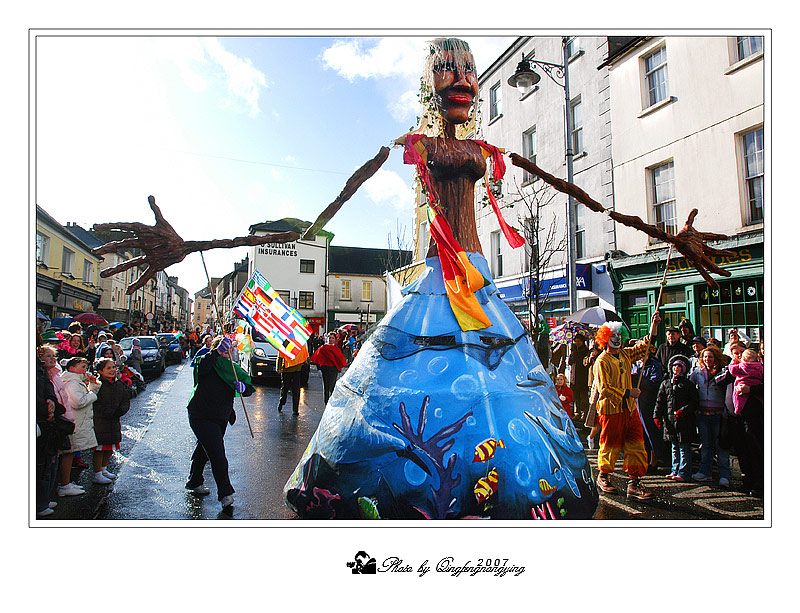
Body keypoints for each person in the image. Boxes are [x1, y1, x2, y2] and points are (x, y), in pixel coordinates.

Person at [593, 313, 660, 500]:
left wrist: (653, 326)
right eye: (613, 336)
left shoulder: (625, 354)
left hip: (629, 409)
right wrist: (628, 393)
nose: (617, 339)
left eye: (619, 336)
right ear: (605, 339)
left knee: (636, 444)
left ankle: (634, 483)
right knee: (610, 445)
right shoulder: (601, 361)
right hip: (611, 409)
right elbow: (604, 388)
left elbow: (644, 349)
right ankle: (603, 476)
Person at [185, 335, 254, 510]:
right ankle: (225, 493)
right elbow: (201, 369)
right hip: (201, 415)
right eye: (225, 349)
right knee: (217, 454)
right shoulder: (206, 360)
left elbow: (248, 387)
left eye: (230, 349)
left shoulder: (233, 368)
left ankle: (194, 481)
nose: (228, 352)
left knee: (204, 449)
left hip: (220, 417)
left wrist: (244, 389)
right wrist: (216, 353)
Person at [689, 345, 731, 486]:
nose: (708, 359)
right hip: (702, 414)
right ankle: (704, 472)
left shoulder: (722, 372)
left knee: (721, 446)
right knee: (706, 444)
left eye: (710, 357)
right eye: (705, 357)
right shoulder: (698, 372)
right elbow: (689, 386)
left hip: (719, 414)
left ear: (716, 358)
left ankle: (724, 475)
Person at [58, 357, 100, 496]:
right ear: (72, 368)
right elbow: (78, 402)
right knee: (69, 453)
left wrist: (92, 387)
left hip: (77, 422)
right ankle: (64, 485)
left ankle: (67, 483)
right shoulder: (72, 383)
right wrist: (93, 393)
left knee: (71, 453)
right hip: (75, 423)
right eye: (82, 366)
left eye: (86, 366)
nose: (85, 369)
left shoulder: (76, 381)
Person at [36, 346, 70, 516]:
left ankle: (45, 499)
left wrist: (52, 404)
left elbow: (56, 395)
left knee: (53, 461)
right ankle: (40, 504)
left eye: (53, 355)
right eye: (47, 356)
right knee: (45, 465)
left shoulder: (53, 375)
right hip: (47, 420)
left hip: (55, 419)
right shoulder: (40, 374)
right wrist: (48, 409)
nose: (51, 358)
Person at [655, 355, 698, 482]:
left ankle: (684, 472)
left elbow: (694, 402)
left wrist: (684, 411)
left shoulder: (688, 385)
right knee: (674, 447)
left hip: (684, 421)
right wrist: (657, 416)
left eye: (679, 366)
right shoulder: (666, 383)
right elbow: (660, 401)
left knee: (684, 448)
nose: (676, 368)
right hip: (670, 421)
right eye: (674, 366)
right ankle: (675, 470)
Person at [92, 358, 131, 483]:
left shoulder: (118, 384)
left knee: (110, 446)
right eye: (108, 368)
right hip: (101, 420)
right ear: (100, 371)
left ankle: (103, 469)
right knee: (100, 448)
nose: (112, 370)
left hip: (114, 419)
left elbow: (125, 399)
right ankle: (97, 473)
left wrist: (121, 410)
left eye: (113, 367)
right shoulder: (98, 385)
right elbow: (95, 403)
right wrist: (107, 412)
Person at [636, 344, 666, 471]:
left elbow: (655, 382)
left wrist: (641, 382)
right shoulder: (636, 365)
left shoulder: (655, 365)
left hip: (649, 403)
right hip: (638, 404)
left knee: (650, 431)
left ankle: (654, 460)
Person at [310, 333, 347, 404]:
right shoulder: (323, 348)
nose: (331, 339)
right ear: (327, 339)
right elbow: (318, 358)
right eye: (330, 338)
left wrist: (339, 369)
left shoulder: (336, 348)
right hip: (325, 369)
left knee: (332, 386)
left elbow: (339, 359)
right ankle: (326, 402)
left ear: (335, 339)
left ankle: (332, 402)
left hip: (333, 370)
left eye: (332, 338)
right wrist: (319, 369)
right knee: (326, 387)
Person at [277, 345, 309, 414]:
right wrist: (279, 367)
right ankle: (282, 402)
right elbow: (280, 356)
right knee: (285, 388)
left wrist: (305, 365)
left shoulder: (300, 344)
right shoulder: (285, 343)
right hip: (286, 369)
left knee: (296, 389)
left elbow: (304, 356)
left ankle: (295, 409)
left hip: (297, 370)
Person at [567, 333, 590, 421]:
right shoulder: (573, 350)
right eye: (576, 341)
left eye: (579, 341)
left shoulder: (585, 351)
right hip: (574, 376)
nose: (577, 343)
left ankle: (584, 413)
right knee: (576, 396)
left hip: (583, 376)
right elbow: (570, 362)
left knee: (583, 396)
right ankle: (577, 413)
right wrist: (572, 355)